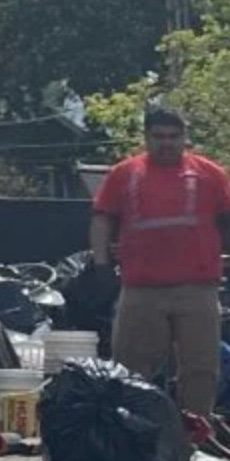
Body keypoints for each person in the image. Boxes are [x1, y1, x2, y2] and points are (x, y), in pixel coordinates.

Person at [90, 107, 230, 417]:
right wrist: (101, 266)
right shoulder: (124, 174)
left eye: (173, 136)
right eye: (158, 137)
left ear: (185, 137)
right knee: (130, 365)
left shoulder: (210, 175)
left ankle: (196, 432)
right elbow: (102, 221)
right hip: (141, 290)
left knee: (201, 366)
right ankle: (131, 429)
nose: (166, 143)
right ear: (146, 138)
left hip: (197, 289)